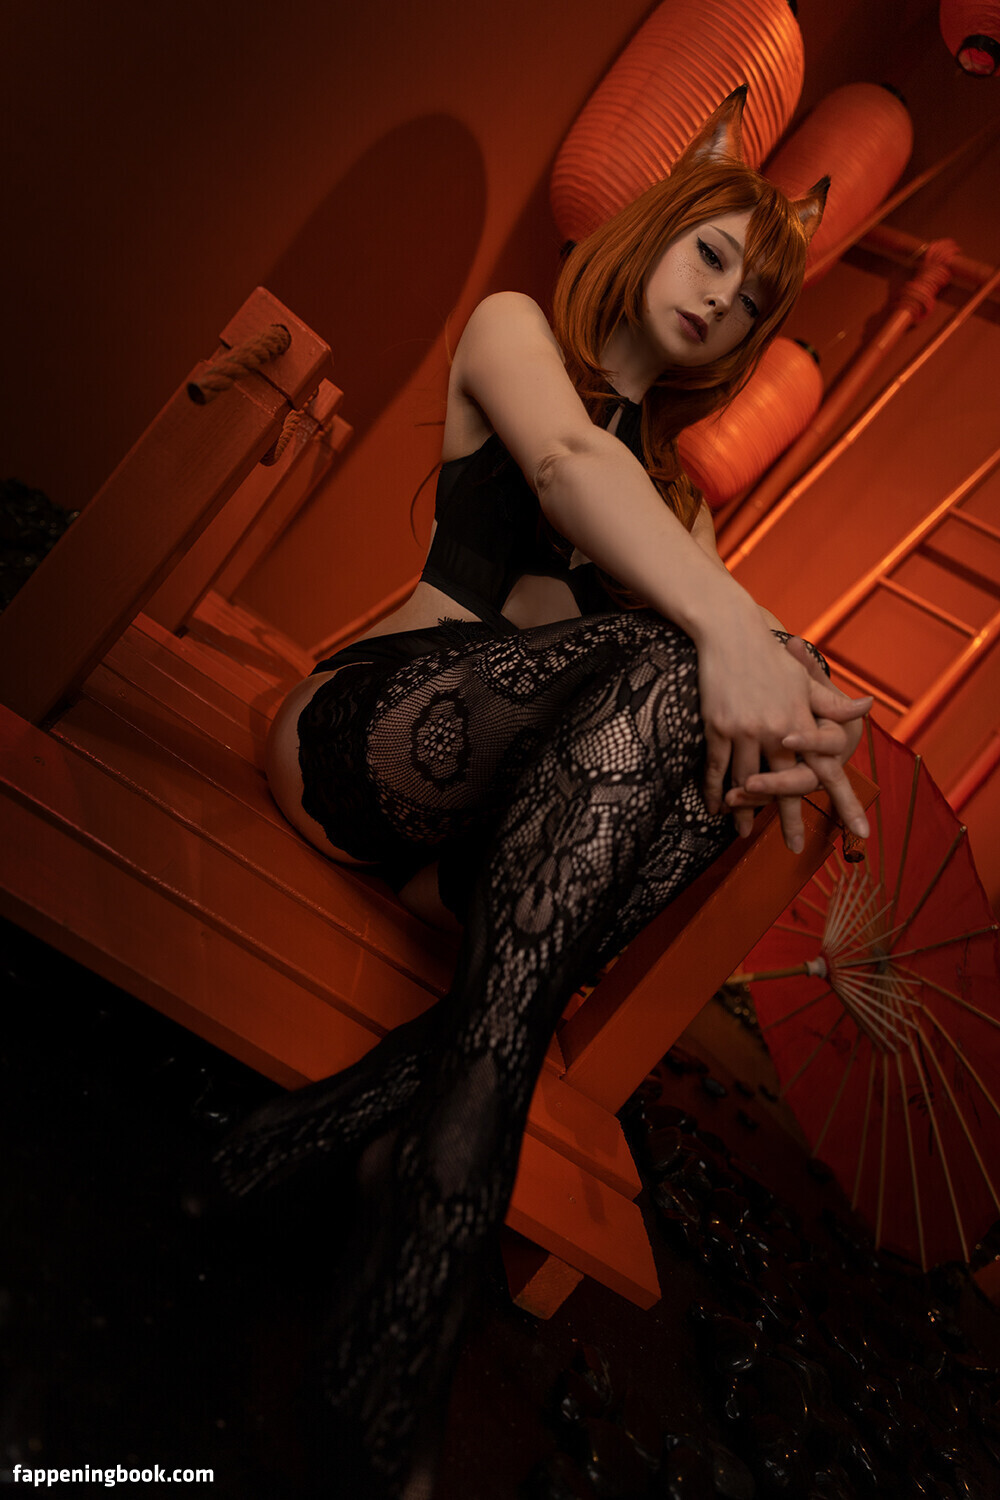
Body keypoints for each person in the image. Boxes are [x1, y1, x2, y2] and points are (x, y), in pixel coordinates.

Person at [217, 88, 872, 1498]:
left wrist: (787, 680)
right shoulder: (516, 331)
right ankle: (441, 1218)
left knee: (710, 712)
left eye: (756, 300)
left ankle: (359, 1139)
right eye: (711, 254)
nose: (724, 300)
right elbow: (572, 470)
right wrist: (739, 633)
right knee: (694, 656)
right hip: (371, 738)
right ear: (657, 228)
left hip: (478, 868)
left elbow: (707, 670)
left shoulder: (686, 508)